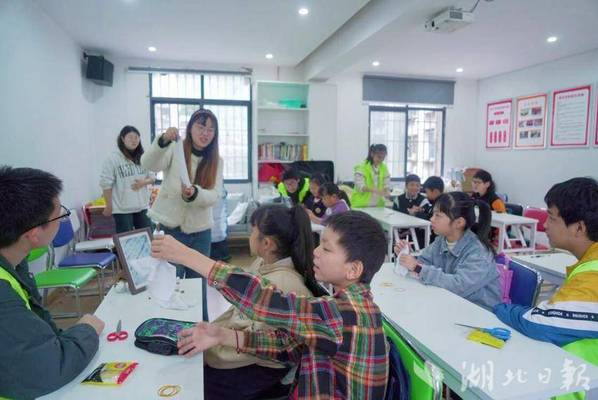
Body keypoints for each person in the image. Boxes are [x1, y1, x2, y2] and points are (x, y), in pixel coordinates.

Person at [151, 211, 390, 399]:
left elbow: (264, 300)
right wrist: (224, 336)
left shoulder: (347, 314)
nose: (316, 252)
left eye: (326, 248)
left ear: (353, 269)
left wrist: (186, 255)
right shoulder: (343, 307)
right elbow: (289, 346)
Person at [0, 166, 105, 399]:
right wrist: (86, 330)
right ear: (34, 234)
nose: (63, 218)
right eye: (60, 215)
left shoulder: (14, 263)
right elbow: (48, 368)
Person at [204, 204, 326, 399]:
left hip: (258, 368)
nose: (250, 235)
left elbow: (254, 347)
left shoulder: (284, 283)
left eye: (253, 230)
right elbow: (236, 311)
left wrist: (210, 353)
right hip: (244, 353)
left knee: (196, 383)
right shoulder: (263, 264)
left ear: (267, 243)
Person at [494, 178, 598, 398]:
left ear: (579, 228)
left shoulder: (592, 275)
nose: (544, 225)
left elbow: (540, 323)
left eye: (551, 217)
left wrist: (500, 308)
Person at [141, 108, 223, 321]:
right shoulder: (174, 149)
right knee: (169, 284)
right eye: (201, 127)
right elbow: (148, 164)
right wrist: (162, 141)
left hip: (200, 233)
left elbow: (215, 195)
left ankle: (200, 328)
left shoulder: (217, 160)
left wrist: (195, 194)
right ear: (190, 128)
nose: (205, 133)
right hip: (171, 230)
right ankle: (169, 328)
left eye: (211, 129)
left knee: (198, 285)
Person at [395, 192, 501, 310]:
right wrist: (406, 256)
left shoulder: (479, 252)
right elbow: (423, 262)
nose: (431, 219)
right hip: (450, 303)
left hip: (478, 311)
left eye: (438, 215)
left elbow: (459, 286)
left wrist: (417, 267)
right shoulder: (442, 240)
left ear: (459, 222)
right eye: (433, 214)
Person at [100, 125, 155, 233]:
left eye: (136, 137)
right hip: (122, 210)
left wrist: (143, 182)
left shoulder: (143, 157)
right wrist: (109, 205)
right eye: (130, 137)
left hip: (142, 206)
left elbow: (152, 177)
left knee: (148, 236)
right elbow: (106, 184)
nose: (134, 140)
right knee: (126, 239)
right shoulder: (113, 159)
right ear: (122, 138)